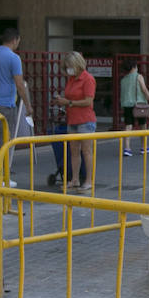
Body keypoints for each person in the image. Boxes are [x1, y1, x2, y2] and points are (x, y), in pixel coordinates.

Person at [0, 28, 32, 149]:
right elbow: (19, 84)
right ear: (15, 40)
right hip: (6, 105)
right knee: (6, 138)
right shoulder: (14, 58)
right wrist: (28, 105)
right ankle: (3, 167)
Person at [53, 51, 96, 192]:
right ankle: (75, 179)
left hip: (85, 120)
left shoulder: (88, 79)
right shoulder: (71, 80)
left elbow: (88, 101)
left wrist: (69, 102)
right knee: (74, 151)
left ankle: (89, 180)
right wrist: (62, 101)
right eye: (66, 67)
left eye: (70, 66)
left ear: (77, 64)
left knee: (87, 151)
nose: (68, 69)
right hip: (72, 119)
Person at [119, 58, 149, 156]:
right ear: (134, 67)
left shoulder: (123, 80)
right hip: (140, 105)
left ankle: (127, 148)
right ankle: (144, 147)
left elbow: (122, 94)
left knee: (128, 126)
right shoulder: (138, 77)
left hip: (127, 105)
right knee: (143, 125)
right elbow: (145, 90)